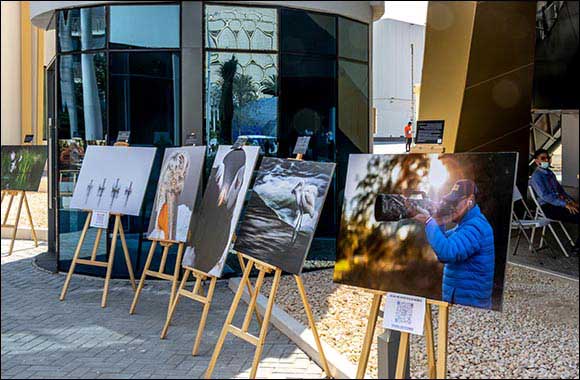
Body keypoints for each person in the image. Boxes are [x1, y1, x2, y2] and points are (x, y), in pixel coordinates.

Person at [412, 180, 495, 309]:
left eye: (455, 202)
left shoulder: (475, 227)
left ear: (470, 200)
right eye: (450, 202)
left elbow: (447, 252)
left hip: (470, 307)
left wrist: (429, 222)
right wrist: (438, 221)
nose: (452, 206)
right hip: (462, 303)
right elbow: (444, 241)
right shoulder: (465, 225)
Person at [529, 148, 579, 249]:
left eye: (547, 158)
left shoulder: (550, 174)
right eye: (543, 158)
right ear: (536, 161)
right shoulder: (536, 177)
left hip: (558, 203)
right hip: (547, 207)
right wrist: (565, 204)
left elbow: (561, 192)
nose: (546, 160)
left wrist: (571, 202)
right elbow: (545, 196)